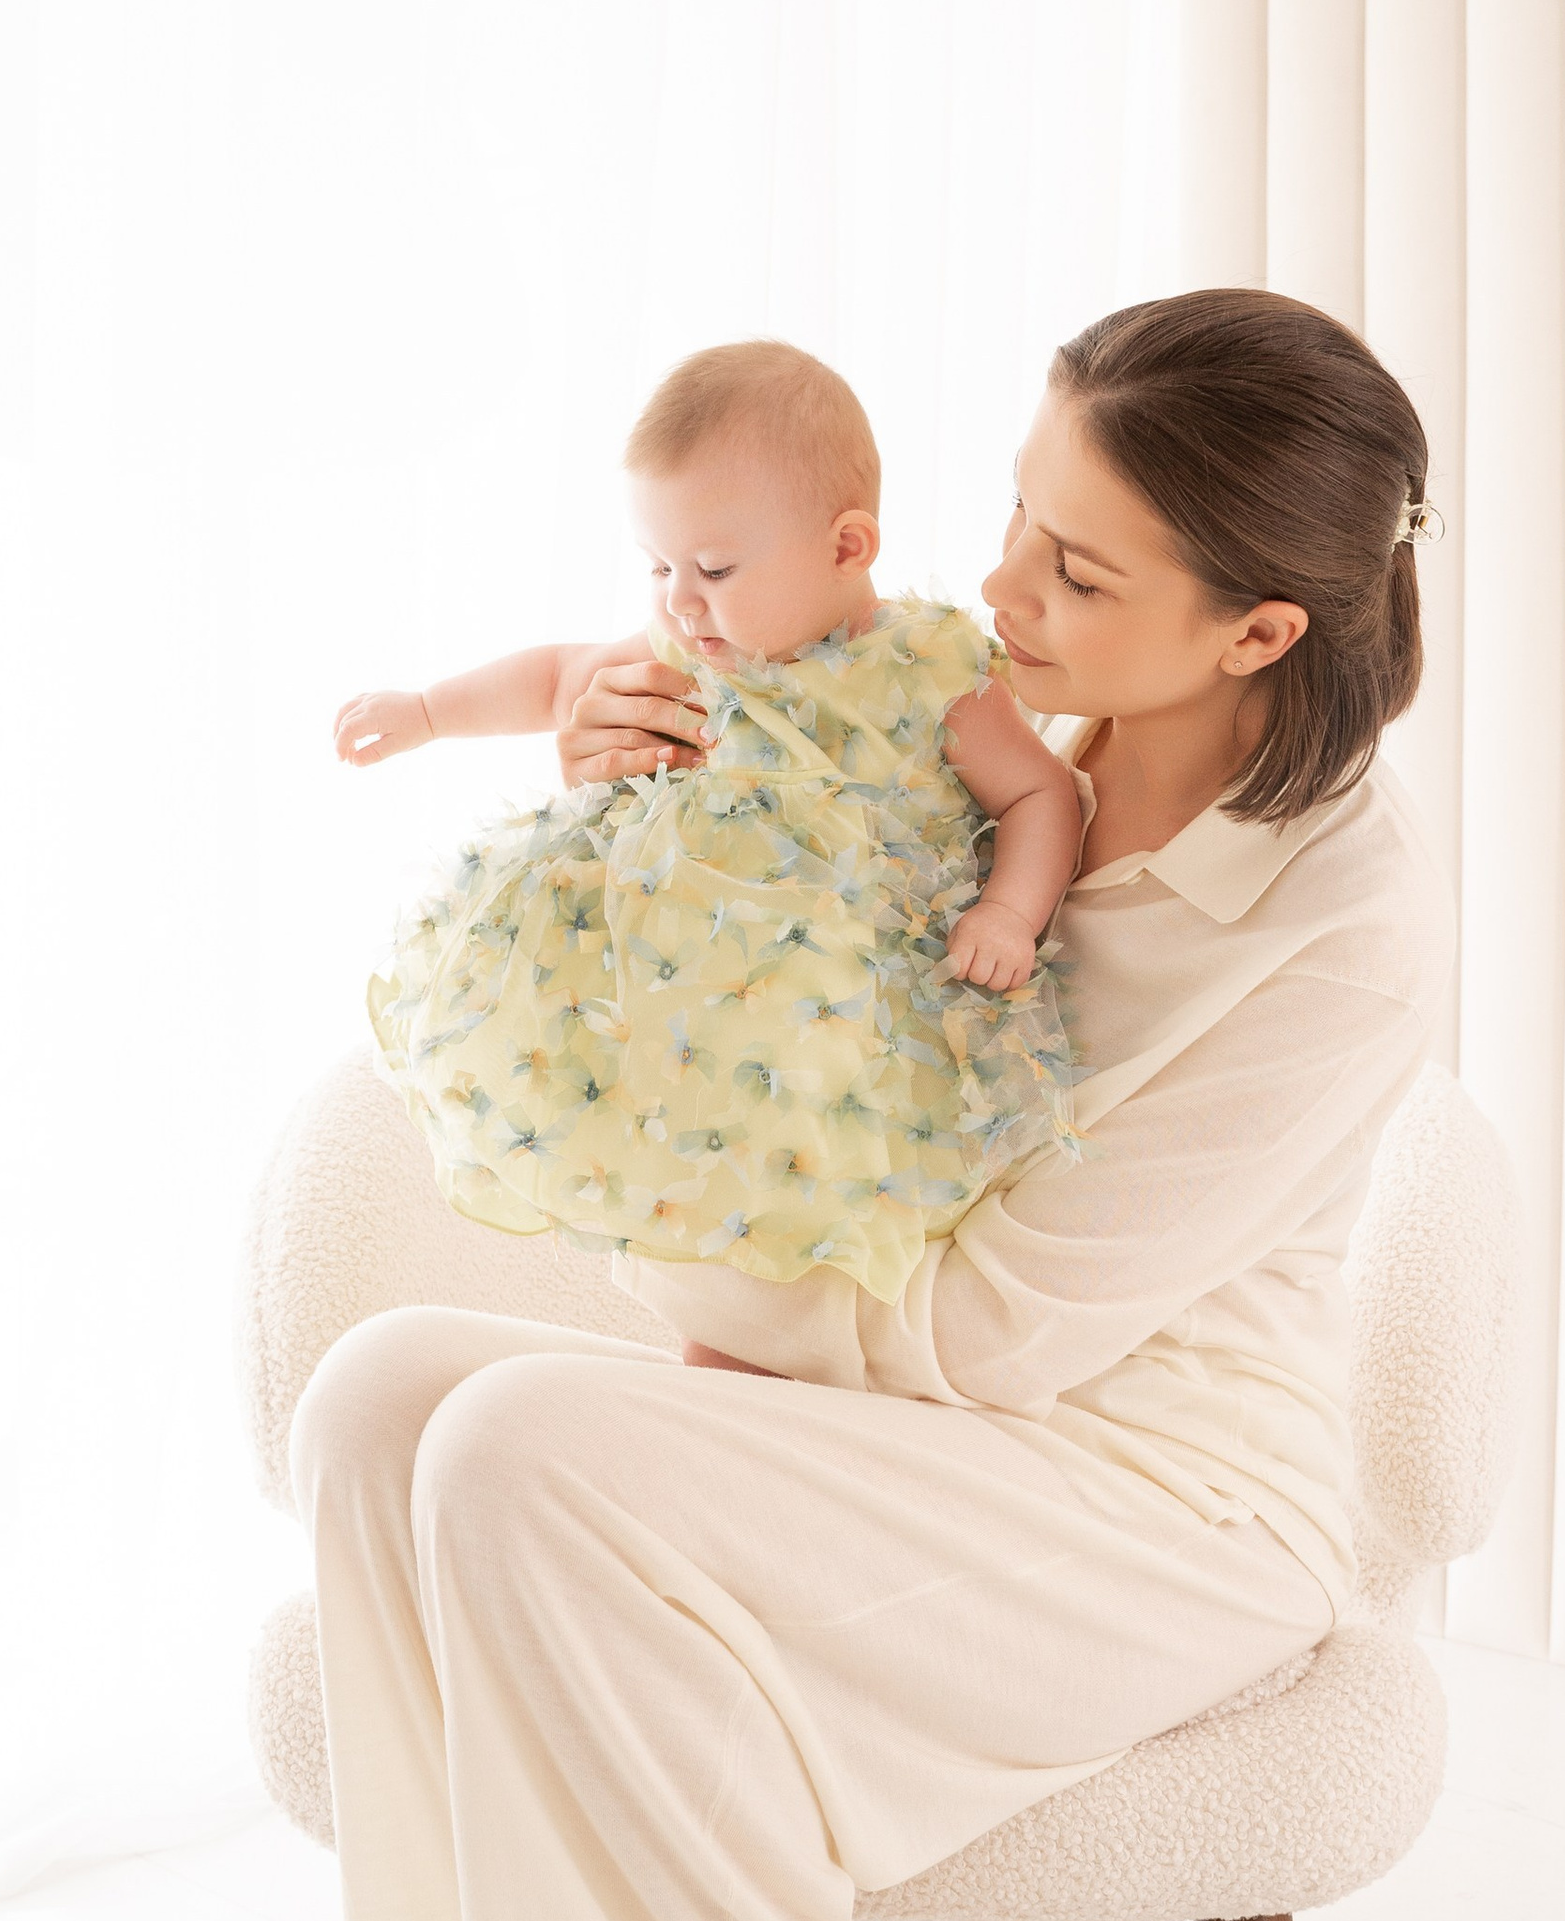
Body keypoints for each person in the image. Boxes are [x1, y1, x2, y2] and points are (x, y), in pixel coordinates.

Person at [293, 284, 1453, 1921]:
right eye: (1016, 520)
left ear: (1259, 626)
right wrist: (631, 788)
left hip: (1150, 1496)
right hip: (909, 1418)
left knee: (518, 1442)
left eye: (1077, 570)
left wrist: (679, 1278)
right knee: (382, 1401)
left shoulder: (1344, 914)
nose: (1001, 588)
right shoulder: (970, 702)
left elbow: (1001, 1325)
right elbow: (749, 986)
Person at [330, 338, 1084, 1300]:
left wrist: (1010, 913)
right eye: (658, 566)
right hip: (678, 998)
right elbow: (560, 677)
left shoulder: (926, 669)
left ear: (846, 548)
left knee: (805, 1226)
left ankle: (758, 1354)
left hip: (835, 1010)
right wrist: (429, 712)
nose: (680, 603)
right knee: (682, 1207)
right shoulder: (692, 646)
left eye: (715, 569)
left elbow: (1037, 794)